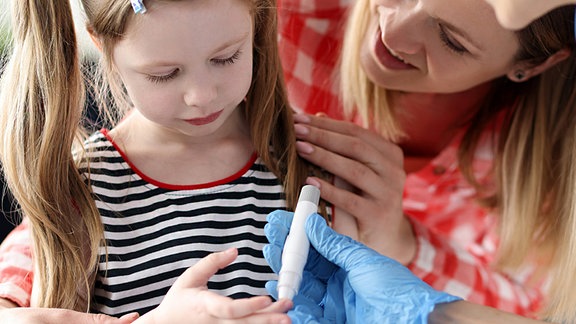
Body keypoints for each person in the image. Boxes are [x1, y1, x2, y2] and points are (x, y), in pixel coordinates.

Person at [0, 0, 324, 321]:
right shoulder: (81, 190)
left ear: (258, 23)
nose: (201, 96)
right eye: (164, 74)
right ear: (102, 45)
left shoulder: (309, 158)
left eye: (226, 57)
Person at [277, 0, 576, 320]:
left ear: (532, 65)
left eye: (452, 41)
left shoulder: (543, 176)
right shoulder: (294, 12)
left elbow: (532, 303)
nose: (392, 32)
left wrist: (403, 244)